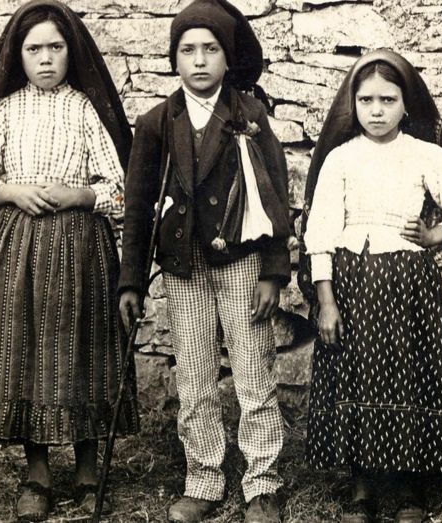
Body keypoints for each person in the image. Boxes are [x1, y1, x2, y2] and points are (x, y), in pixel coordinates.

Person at [0, 1, 138, 520]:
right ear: (19, 55)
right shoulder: (6, 110)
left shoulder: (84, 110)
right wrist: (9, 190)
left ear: (70, 52)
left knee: (82, 347)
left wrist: (80, 196)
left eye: (56, 47)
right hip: (17, 248)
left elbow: (120, 186)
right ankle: (36, 472)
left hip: (80, 247)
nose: (47, 58)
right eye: (35, 49)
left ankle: (86, 463)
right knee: (25, 349)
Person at [118, 1, 293, 521]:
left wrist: (273, 270)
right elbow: (137, 204)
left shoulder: (249, 115)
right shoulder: (156, 123)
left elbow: (276, 195)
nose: (199, 60)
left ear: (227, 57)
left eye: (210, 49)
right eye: (187, 50)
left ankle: (262, 480)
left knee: (252, 370)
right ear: (174, 58)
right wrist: (131, 279)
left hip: (240, 262)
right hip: (183, 267)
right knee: (193, 374)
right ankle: (204, 477)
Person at [299, 49, 442, 523]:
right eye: (366, 100)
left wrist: (436, 234)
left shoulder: (424, 154)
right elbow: (320, 232)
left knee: (408, 374)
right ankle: (362, 486)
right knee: (358, 373)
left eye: (388, 99)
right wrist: (326, 301)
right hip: (352, 287)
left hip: (410, 290)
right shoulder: (340, 159)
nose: (377, 110)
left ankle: (409, 487)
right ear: (353, 105)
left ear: (407, 104)